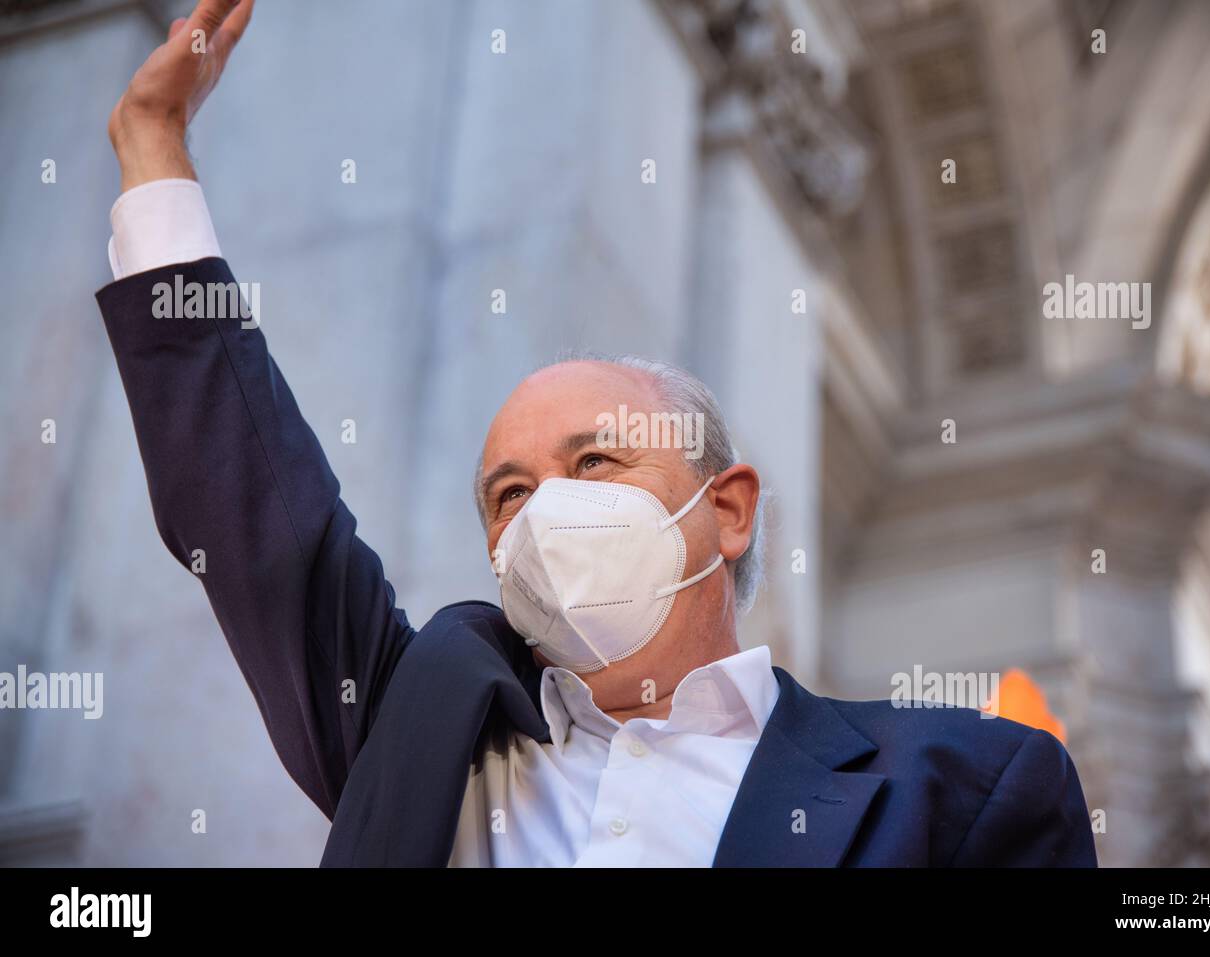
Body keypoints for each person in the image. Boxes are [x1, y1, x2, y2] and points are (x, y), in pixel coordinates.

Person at [97, 0, 1098, 867]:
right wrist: (153, 151)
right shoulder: (424, 729)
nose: (547, 512)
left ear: (730, 508)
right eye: (510, 494)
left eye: (594, 460)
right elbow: (256, 517)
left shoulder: (961, 783)